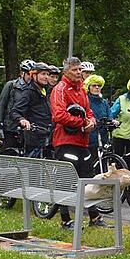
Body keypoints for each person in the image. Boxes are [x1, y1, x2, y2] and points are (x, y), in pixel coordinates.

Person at [50, 57, 108, 229]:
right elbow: (58, 115)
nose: (79, 72)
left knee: (88, 178)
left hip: (83, 141)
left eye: (80, 69)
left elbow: (89, 111)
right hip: (65, 142)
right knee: (66, 180)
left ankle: (94, 217)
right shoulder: (60, 89)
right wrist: (82, 123)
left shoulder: (82, 90)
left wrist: (91, 121)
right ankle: (66, 219)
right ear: (66, 71)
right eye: (75, 70)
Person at [10, 63, 53, 156]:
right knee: (34, 168)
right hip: (34, 137)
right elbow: (14, 112)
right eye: (43, 74)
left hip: (48, 135)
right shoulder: (28, 92)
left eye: (48, 74)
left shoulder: (47, 91)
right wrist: (22, 120)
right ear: (34, 75)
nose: (46, 77)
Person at [0, 59, 34, 150]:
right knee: (7, 151)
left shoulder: (33, 89)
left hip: (25, 128)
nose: (30, 77)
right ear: (22, 73)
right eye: (28, 74)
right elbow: (1, 104)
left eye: (33, 75)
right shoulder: (11, 85)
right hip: (10, 126)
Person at [84, 74, 110, 158]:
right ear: (89, 87)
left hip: (102, 135)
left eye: (99, 85)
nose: (97, 87)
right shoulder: (85, 100)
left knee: (103, 158)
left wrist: (112, 121)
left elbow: (109, 114)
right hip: (90, 135)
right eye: (94, 85)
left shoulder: (104, 102)